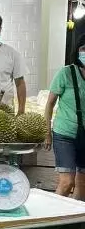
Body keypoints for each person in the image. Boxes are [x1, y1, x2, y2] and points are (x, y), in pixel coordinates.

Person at [44, 43, 85, 199]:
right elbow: (49, 104)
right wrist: (47, 132)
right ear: (77, 51)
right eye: (83, 49)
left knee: (82, 183)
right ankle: (52, 221)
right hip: (64, 133)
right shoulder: (66, 73)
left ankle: (75, 221)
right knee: (67, 183)